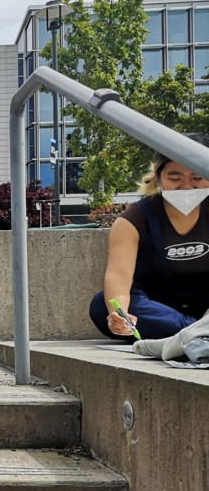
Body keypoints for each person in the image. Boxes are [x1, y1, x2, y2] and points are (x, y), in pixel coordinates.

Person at [89, 132, 209, 340]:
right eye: (175, 177)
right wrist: (119, 315)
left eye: (197, 177)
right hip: (158, 308)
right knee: (101, 306)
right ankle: (198, 332)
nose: (187, 186)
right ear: (158, 176)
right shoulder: (133, 219)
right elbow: (118, 275)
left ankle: (192, 333)